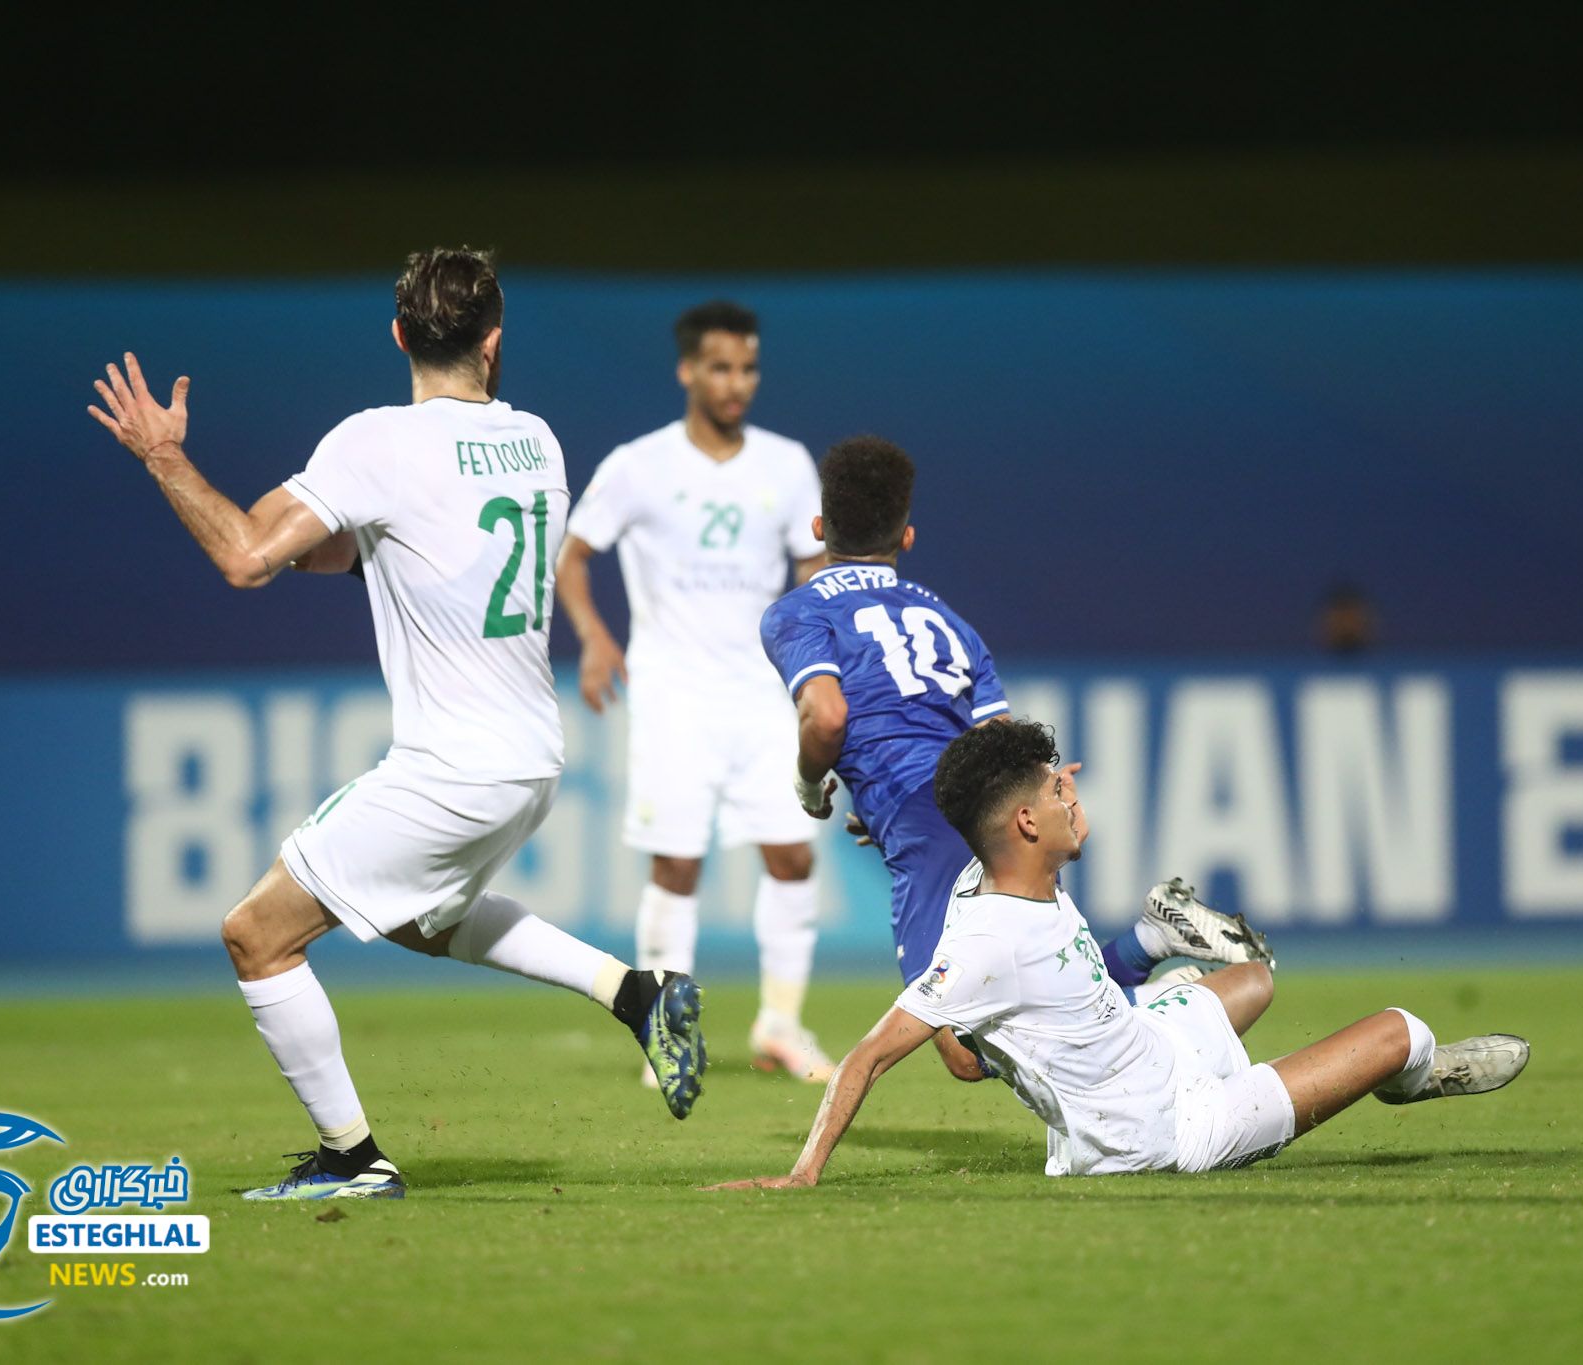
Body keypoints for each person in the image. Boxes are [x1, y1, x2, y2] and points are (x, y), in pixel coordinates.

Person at [87, 248, 708, 1202]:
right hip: (530, 763)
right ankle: (639, 994)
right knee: (427, 917)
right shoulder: (537, 441)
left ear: (398, 336)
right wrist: (321, 539)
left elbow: (249, 557)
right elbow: (375, 547)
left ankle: (352, 1157)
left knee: (256, 934)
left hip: (450, 768)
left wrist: (165, 457)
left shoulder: (377, 443)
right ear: (494, 345)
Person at [710, 719, 1529, 1186]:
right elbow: (867, 1056)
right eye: (1057, 787)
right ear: (1028, 823)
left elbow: (961, 822)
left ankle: (1156, 952)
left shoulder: (1001, 866)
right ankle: (1411, 1075)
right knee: (1401, 1027)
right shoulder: (988, 939)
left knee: (1249, 977)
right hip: (1167, 1128)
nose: (1072, 791)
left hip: (1155, 1049)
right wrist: (806, 1168)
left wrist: (890, 816)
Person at [758, 435, 1271, 1080]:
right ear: (907, 537)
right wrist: (1045, 791)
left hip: (925, 825)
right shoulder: (949, 620)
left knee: (965, 1049)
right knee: (1044, 991)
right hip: (991, 811)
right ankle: (1150, 941)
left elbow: (827, 717)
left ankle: (1165, 983)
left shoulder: (798, 612)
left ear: (817, 528)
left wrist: (812, 786)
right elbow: (998, 738)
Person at [555, 300, 835, 1084]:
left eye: (747, 367)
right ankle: (666, 1027)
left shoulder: (785, 462)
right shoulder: (640, 464)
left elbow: (812, 575)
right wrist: (596, 635)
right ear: (687, 370)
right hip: (674, 698)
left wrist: (819, 662)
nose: (736, 382)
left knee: (791, 856)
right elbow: (572, 558)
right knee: (675, 865)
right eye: (719, 366)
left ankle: (780, 1022)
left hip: (760, 697)